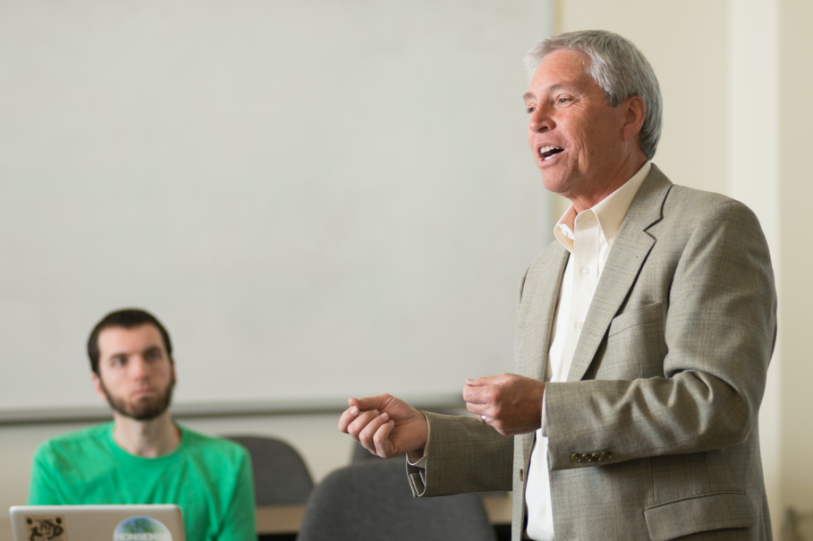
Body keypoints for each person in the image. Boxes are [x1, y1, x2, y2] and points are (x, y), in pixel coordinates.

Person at [339, 30, 776, 541]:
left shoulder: (709, 225)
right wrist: (428, 436)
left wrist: (547, 405)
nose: (537, 120)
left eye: (562, 99)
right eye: (530, 106)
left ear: (629, 117)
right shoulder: (544, 269)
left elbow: (716, 403)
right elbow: (545, 437)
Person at [28, 308, 257, 541]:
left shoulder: (229, 464)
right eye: (120, 361)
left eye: (152, 356)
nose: (140, 372)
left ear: (173, 369)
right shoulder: (55, 462)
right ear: (98, 384)